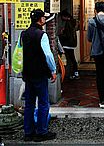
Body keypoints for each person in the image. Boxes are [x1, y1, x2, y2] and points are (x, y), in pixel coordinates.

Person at [21, 9, 57, 142]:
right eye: (43, 17)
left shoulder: (24, 34)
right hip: (40, 73)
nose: (44, 19)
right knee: (43, 103)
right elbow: (48, 55)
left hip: (28, 73)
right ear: (40, 19)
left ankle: (28, 132)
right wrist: (53, 70)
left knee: (29, 103)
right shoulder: (41, 35)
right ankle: (41, 132)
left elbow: (19, 53)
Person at [58, 10, 79, 80]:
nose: (61, 18)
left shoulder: (68, 23)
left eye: (62, 17)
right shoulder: (73, 22)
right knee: (72, 59)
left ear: (65, 16)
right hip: (72, 43)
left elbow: (67, 35)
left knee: (69, 60)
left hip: (67, 44)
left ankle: (69, 74)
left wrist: (61, 34)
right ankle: (75, 73)